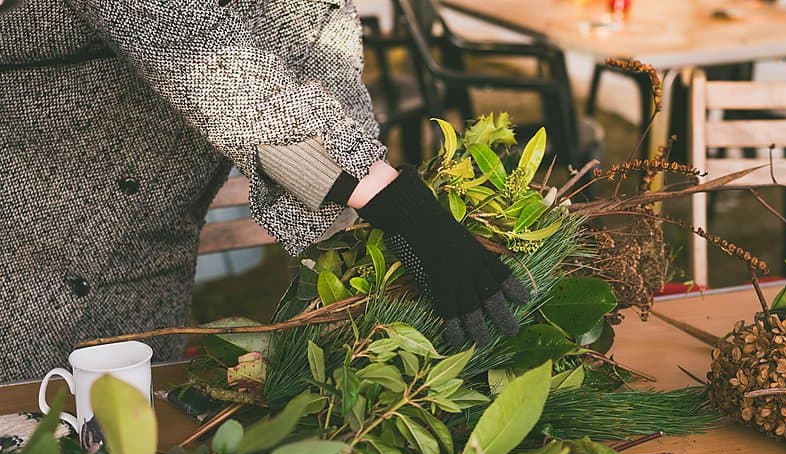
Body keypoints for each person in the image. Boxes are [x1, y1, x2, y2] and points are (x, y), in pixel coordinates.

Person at [0, 0, 528, 384]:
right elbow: (188, 39)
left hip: (154, 243)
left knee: (133, 451)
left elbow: (322, 57)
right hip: (32, 231)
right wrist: (399, 207)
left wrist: (373, 185)